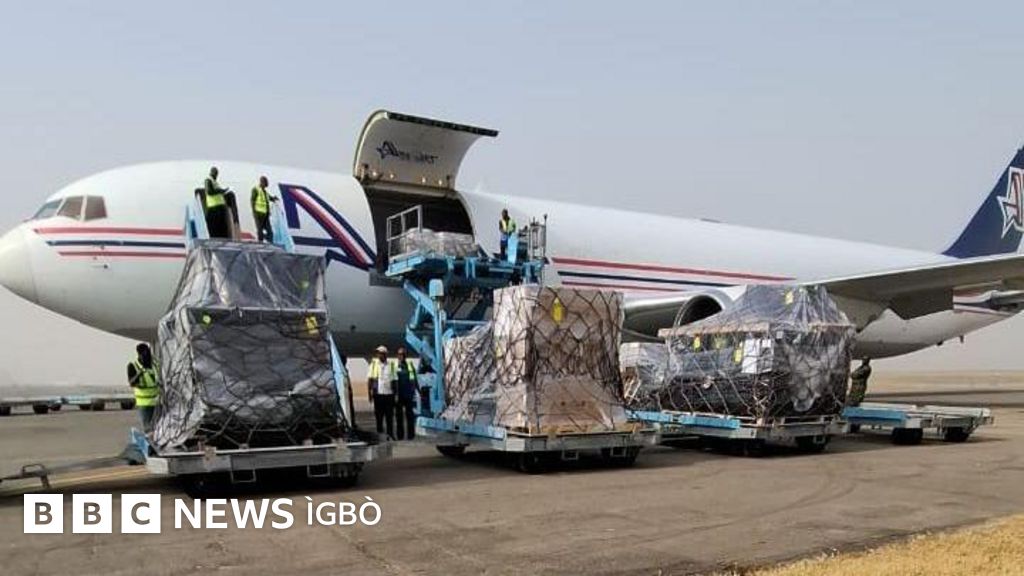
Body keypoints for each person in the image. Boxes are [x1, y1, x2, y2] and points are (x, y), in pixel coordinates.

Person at [126, 343, 160, 431]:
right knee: (148, 429)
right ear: (139, 354)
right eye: (144, 354)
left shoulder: (155, 365)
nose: (147, 356)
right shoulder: (133, 366)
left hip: (157, 402)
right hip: (144, 403)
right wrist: (140, 373)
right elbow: (131, 383)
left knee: (159, 428)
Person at [367, 345, 396, 440]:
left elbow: (394, 381)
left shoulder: (391, 365)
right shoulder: (373, 365)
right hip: (378, 395)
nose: (379, 355)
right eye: (378, 353)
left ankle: (390, 435)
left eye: (381, 353)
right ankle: (380, 435)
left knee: (389, 417)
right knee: (379, 417)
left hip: (389, 395)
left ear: (385, 354)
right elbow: (370, 380)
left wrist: (396, 395)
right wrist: (369, 394)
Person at [393, 348, 418, 440]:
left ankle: (411, 436)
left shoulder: (410, 365)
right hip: (399, 396)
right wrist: (394, 394)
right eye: (400, 354)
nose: (402, 356)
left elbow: (414, 379)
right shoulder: (394, 366)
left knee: (410, 416)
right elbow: (393, 381)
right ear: (397, 356)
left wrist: (417, 391)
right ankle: (400, 436)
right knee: (399, 417)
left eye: (403, 354)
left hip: (408, 395)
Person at [202, 166, 231, 238]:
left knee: (221, 226)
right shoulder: (208, 180)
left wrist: (223, 191)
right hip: (213, 207)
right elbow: (209, 192)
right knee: (214, 227)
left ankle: (221, 238)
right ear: (211, 173)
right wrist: (220, 191)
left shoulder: (215, 182)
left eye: (217, 173)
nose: (216, 175)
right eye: (215, 173)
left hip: (219, 207)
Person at [250, 176, 277, 243]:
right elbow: (252, 201)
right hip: (258, 214)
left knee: (270, 232)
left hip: (265, 215)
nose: (266, 186)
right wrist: (254, 211)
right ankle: (260, 243)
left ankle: (270, 242)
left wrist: (274, 198)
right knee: (260, 230)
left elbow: (269, 198)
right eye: (265, 184)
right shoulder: (256, 190)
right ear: (262, 182)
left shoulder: (265, 192)